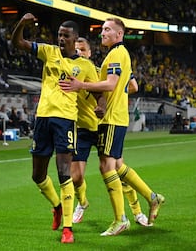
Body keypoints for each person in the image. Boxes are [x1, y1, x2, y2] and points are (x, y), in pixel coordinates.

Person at [60, 17, 165, 236]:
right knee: (116, 165)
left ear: (119, 34)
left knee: (106, 166)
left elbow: (110, 84)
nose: (102, 33)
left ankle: (121, 219)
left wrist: (82, 85)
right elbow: (130, 85)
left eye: (107, 29)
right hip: (110, 118)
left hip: (111, 120)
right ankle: (151, 198)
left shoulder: (117, 54)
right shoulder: (115, 55)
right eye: (102, 30)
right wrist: (117, 94)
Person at [11, 13, 100, 243]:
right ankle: (58, 207)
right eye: (59, 35)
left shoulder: (85, 66)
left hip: (65, 121)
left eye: (65, 36)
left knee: (63, 173)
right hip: (42, 119)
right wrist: (21, 24)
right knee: (37, 175)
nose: (61, 39)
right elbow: (18, 43)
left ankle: (68, 229)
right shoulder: (48, 52)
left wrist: (100, 107)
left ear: (75, 39)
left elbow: (100, 92)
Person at [71, 37, 150, 227]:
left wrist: (113, 98)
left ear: (90, 53)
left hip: (102, 127)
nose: (80, 53)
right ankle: (82, 203)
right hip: (81, 129)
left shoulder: (99, 73)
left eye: (83, 50)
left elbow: (132, 86)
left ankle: (137, 211)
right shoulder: (69, 75)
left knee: (116, 170)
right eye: (77, 50)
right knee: (76, 176)